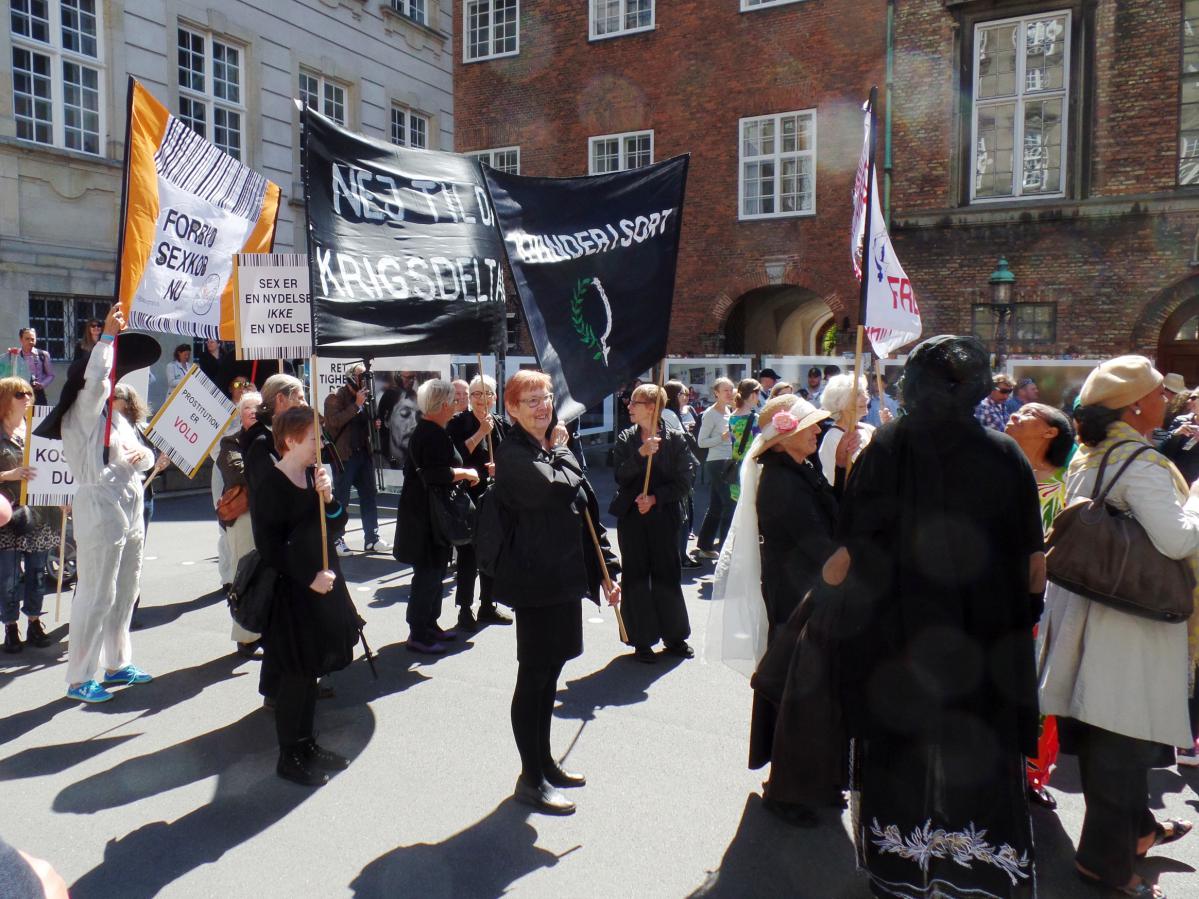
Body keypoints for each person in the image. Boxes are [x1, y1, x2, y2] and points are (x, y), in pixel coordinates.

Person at [831, 335, 1042, 899]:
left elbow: (847, 554)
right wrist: (1022, 616)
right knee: (976, 743)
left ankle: (901, 865)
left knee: (902, 744)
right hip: (984, 635)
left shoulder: (882, 450)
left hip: (897, 635)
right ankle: (975, 866)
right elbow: (1033, 564)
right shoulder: (1005, 454)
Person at [1038, 356, 1198, 898]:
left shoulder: (1094, 455)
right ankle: (1102, 864)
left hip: (1095, 609)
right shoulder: (1143, 465)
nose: (1167, 399)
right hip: (1129, 621)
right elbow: (1178, 541)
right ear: (1134, 405)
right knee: (1119, 743)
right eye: (1158, 391)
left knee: (1112, 736)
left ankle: (1138, 833)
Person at [488, 369, 621, 815]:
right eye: (531, 401)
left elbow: (584, 508)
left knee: (551, 674)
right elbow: (555, 487)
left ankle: (545, 762)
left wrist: (607, 567)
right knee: (534, 677)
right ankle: (531, 777)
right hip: (535, 582)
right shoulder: (512, 453)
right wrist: (562, 448)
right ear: (511, 408)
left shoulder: (553, 448)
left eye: (546, 398)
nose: (543, 407)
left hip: (566, 578)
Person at [725, 394, 859, 826]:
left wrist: (840, 465)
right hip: (797, 599)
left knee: (811, 694)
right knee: (797, 696)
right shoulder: (781, 483)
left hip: (812, 594)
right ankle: (786, 790)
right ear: (785, 438)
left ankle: (812, 781)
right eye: (812, 426)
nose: (819, 431)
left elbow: (832, 515)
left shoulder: (800, 469)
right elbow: (819, 545)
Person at [37, 307, 161, 704]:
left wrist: (140, 459)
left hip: (129, 501)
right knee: (96, 592)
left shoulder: (115, 417)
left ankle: (117, 662)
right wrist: (106, 339)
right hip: (99, 503)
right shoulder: (83, 413)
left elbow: (137, 451)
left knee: (126, 588)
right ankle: (79, 677)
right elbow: (95, 382)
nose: (112, 384)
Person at [250, 406, 361, 787]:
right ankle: (289, 754)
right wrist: (307, 577)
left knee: (312, 671)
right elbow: (269, 548)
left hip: (323, 583)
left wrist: (328, 499)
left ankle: (306, 743)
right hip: (293, 591)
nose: (320, 444)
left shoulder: (315, 474)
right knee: (295, 677)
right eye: (314, 438)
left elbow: (339, 522)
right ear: (292, 440)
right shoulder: (271, 484)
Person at [1004, 401, 1075, 812]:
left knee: (1039, 686)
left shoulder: (1071, 481)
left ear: (1051, 432)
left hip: (1047, 599)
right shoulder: (994, 467)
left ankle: (1031, 773)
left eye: (1029, 412)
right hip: (996, 593)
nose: (1015, 414)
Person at [611, 383, 697, 663]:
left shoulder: (675, 440)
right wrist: (640, 455)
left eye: (634, 402)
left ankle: (674, 636)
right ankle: (641, 639)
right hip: (633, 517)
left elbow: (685, 481)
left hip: (664, 517)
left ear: (651, 407)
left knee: (666, 574)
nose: (629, 406)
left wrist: (656, 498)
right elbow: (620, 476)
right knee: (636, 575)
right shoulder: (626, 438)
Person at [393, 379, 479, 654]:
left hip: (430, 513)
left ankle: (429, 624)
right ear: (443, 405)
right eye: (453, 400)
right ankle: (418, 631)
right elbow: (434, 474)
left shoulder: (433, 430)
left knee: (435, 571)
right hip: (425, 516)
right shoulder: (430, 433)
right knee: (428, 573)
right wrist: (466, 473)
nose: (456, 404)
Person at [240, 373, 305, 707]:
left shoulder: (277, 438)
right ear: (282, 400)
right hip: (278, 545)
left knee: (291, 621)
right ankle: (279, 691)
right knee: (283, 621)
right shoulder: (262, 443)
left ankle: (291, 683)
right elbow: (273, 495)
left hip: (290, 541)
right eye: (300, 398)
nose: (304, 405)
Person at [447, 374, 512, 631]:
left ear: (495, 397)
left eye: (487, 393)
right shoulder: (458, 423)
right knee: (468, 556)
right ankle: (465, 608)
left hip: (495, 499)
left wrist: (502, 467)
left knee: (492, 553)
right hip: (468, 500)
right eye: (476, 394)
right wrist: (480, 433)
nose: (482, 398)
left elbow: (512, 456)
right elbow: (455, 458)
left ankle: (488, 604)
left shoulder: (502, 423)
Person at [0, 377, 57, 653]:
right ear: (5, 399)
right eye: (20, 393)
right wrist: (8, 474)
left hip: (38, 512)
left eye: (29, 392)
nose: (27, 397)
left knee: (36, 573)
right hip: (7, 515)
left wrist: (62, 496)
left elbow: (55, 464)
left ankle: (35, 621)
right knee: (8, 576)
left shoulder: (38, 430)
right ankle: (11, 627)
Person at [324, 363, 386, 555]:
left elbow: (364, 422)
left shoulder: (364, 398)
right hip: (344, 455)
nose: (364, 382)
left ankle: (372, 538)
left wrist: (374, 423)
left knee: (369, 495)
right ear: (352, 379)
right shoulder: (335, 397)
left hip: (362, 453)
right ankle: (336, 538)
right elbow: (334, 422)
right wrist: (357, 405)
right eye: (361, 378)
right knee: (341, 498)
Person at [217, 391, 261, 653]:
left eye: (258, 409)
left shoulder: (270, 439)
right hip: (242, 517)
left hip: (264, 514)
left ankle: (259, 630)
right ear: (240, 414)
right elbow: (242, 475)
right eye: (248, 409)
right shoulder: (230, 443)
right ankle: (245, 637)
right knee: (243, 575)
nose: (253, 413)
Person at [695, 377, 735, 560]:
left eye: (731, 389)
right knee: (729, 503)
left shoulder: (729, 410)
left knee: (717, 505)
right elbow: (701, 442)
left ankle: (704, 545)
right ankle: (726, 547)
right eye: (725, 390)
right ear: (716, 393)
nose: (730, 393)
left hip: (727, 461)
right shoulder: (710, 414)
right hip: (716, 462)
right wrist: (723, 437)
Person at [817, 373, 875, 483]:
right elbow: (830, 481)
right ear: (840, 402)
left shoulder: (869, 429)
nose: (866, 398)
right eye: (857, 394)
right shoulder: (832, 437)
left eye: (865, 392)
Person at [727, 379, 761, 505]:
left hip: (736, 464)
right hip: (751, 464)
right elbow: (759, 442)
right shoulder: (755, 418)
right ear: (753, 395)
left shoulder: (732, 416)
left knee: (739, 507)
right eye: (758, 394)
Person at [16, 328, 54, 406]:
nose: (30, 342)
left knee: (38, 417)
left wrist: (42, 384)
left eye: (33, 339)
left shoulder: (43, 354)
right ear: (21, 339)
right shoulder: (15, 355)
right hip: (20, 393)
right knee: (22, 417)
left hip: (38, 393)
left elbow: (51, 375)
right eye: (27, 339)